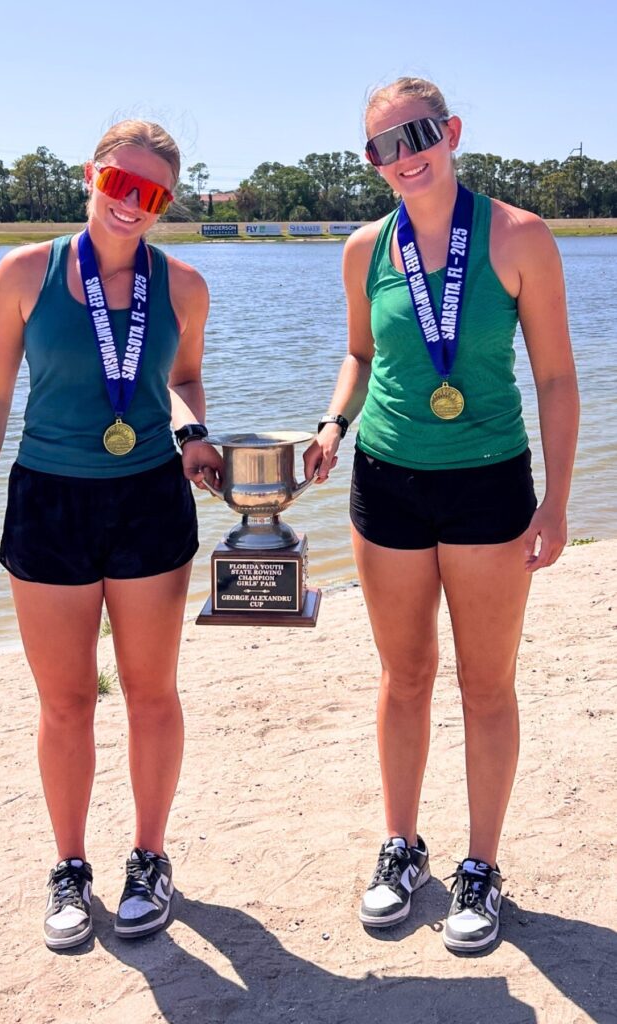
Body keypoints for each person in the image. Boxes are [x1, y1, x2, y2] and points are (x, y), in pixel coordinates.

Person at [304, 78, 579, 953]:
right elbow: (358, 354)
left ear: (451, 131)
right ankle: (401, 849)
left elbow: (555, 377)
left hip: (488, 484)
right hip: (385, 482)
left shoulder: (518, 235)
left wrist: (557, 498)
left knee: (485, 684)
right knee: (404, 676)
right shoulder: (363, 248)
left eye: (415, 135)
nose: (402, 157)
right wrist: (332, 423)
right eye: (380, 147)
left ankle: (480, 866)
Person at [0, 120, 222, 951]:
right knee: (66, 702)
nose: (131, 204)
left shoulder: (184, 286)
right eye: (119, 183)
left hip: (149, 500)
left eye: (152, 194)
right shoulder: (23, 272)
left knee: (150, 692)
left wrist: (194, 433)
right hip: (49, 502)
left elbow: (183, 378)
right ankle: (69, 868)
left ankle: (149, 858)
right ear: (91, 176)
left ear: (166, 204)